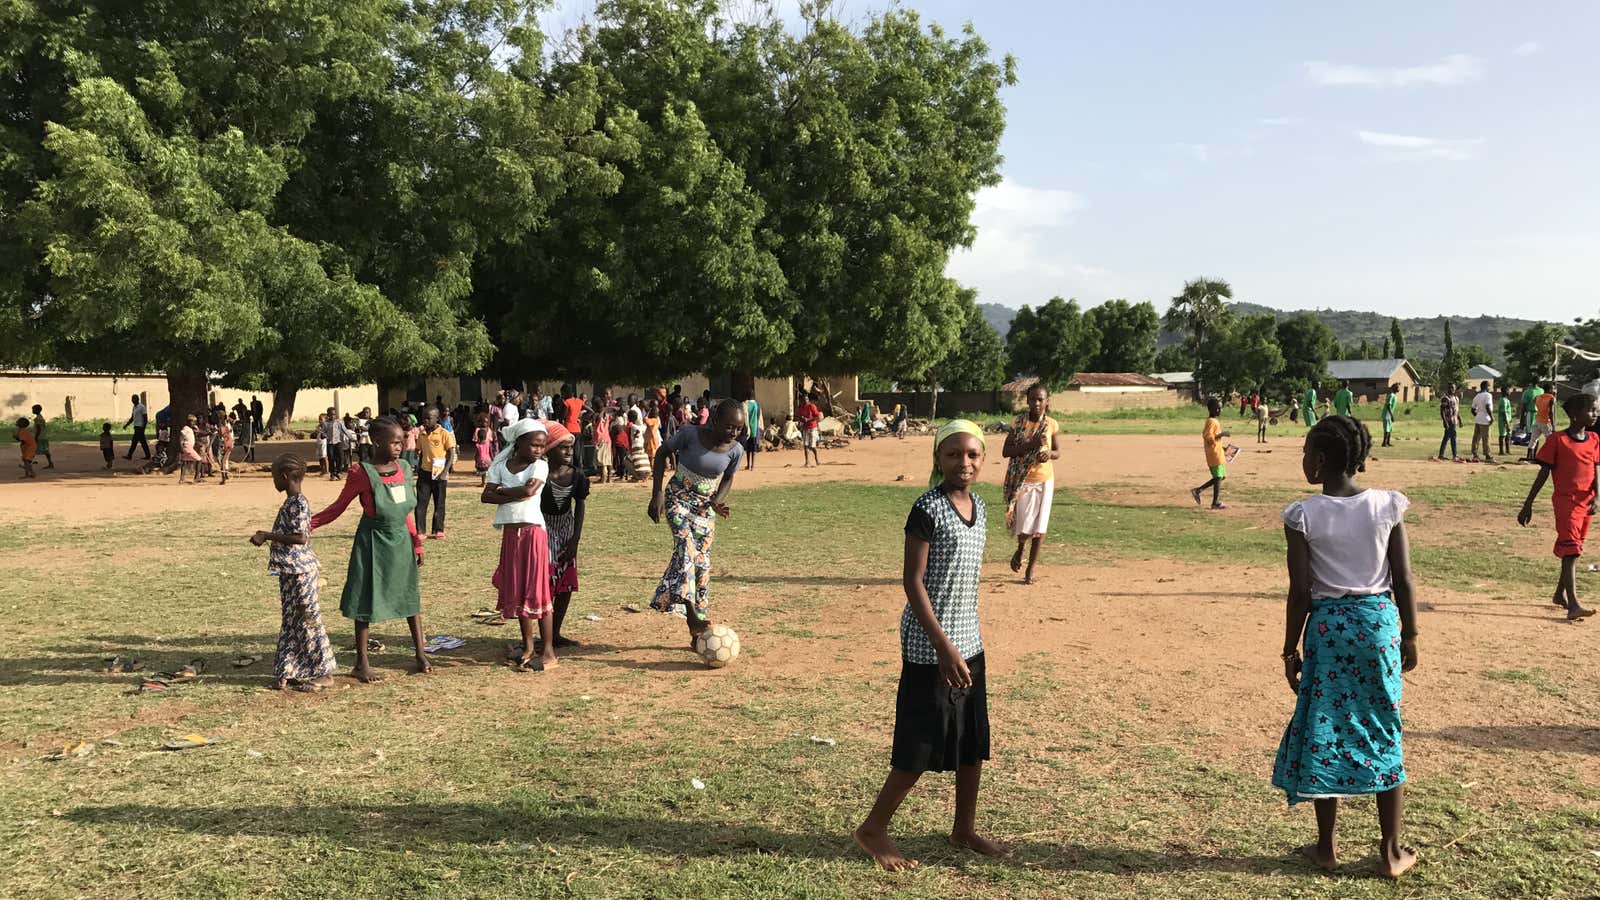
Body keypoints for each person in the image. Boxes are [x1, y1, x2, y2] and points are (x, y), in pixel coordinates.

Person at [854, 419, 1006, 872]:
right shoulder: (927, 508)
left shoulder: (979, 506)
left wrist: (960, 644)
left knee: (972, 740)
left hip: (969, 641)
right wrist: (942, 647)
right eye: (953, 454)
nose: (964, 462)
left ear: (983, 459)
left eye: (973, 454)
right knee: (920, 743)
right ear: (937, 458)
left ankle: (963, 828)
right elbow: (912, 581)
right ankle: (872, 830)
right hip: (930, 645)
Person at [1273, 415, 1419, 879]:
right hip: (1378, 626)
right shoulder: (1386, 505)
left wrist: (1289, 649)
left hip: (1330, 629)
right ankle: (1392, 851)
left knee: (1325, 727)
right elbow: (1403, 578)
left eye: (1305, 453)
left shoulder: (1303, 515)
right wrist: (1411, 634)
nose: (1303, 461)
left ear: (1319, 461)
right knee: (1383, 723)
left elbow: (1301, 590)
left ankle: (1326, 847)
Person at [311, 417, 429, 682]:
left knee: (410, 595)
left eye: (401, 441)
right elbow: (337, 508)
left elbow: (405, 511)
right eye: (394, 442)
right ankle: (361, 662)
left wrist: (416, 541)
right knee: (366, 597)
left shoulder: (406, 468)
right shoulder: (361, 473)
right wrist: (307, 525)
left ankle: (420, 653)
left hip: (400, 541)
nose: (400, 446)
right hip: (373, 542)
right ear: (377, 442)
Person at [647, 400, 746, 643]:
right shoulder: (690, 434)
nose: (733, 433)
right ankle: (692, 618)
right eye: (729, 426)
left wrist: (717, 501)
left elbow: (727, 479)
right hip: (677, 499)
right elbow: (662, 453)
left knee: (702, 567)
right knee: (686, 551)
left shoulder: (736, 450)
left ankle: (698, 635)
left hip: (704, 508)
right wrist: (657, 493)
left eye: (738, 429)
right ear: (714, 420)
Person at [250, 453, 338, 692]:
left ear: (285, 476)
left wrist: (267, 535)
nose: (273, 481)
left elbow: (300, 537)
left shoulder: (299, 503)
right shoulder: (290, 503)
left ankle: (324, 672)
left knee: (308, 618)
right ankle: (287, 670)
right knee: (291, 620)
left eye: (274, 476)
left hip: (300, 572)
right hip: (290, 571)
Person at [1518, 392, 1600, 621]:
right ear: (1574, 414)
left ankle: (1558, 594)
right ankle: (1573, 604)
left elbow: (1596, 469)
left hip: (1587, 502)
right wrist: (1528, 505)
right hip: (1566, 503)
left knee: (1574, 550)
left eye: (1596, 410)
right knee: (1571, 551)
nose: (1595, 414)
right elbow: (1543, 473)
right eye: (1591, 410)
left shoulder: (1594, 439)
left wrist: (1597, 497)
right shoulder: (1558, 440)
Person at [483, 418, 554, 671]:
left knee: (537, 589)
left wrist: (501, 491)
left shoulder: (541, 466)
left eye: (542, 446)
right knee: (519, 588)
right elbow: (485, 496)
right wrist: (511, 490)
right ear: (520, 443)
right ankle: (528, 646)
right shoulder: (500, 465)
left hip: (533, 532)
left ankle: (548, 649)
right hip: (511, 535)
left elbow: (529, 492)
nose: (539, 450)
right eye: (534, 445)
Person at [1002, 383, 1060, 585]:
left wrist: (1048, 454)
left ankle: (1030, 569)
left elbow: (1057, 452)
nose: (1036, 403)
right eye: (1033, 399)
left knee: (1040, 527)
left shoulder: (1051, 424)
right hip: (1022, 481)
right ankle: (1019, 550)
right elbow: (1006, 451)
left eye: (1040, 399)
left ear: (1047, 401)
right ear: (1027, 401)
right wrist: (1031, 445)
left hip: (1045, 480)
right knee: (1024, 528)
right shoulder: (1018, 424)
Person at [541, 422, 589, 651]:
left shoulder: (577, 475)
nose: (569, 452)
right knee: (546, 583)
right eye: (563, 448)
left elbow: (580, 506)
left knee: (564, 584)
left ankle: (556, 632)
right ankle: (545, 635)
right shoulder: (540, 474)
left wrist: (575, 540)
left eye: (571, 448)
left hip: (566, 530)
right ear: (549, 449)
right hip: (542, 529)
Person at [415, 407, 456, 540]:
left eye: (429, 418)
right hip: (425, 473)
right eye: (424, 418)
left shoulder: (444, 433)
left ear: (436, 419)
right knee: (421, 502)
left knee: (439, 502)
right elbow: (420, 452)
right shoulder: (421, 435)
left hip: (439, 473)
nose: (425, 421)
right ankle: (420, 530)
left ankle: (438, 529)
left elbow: (451, 453)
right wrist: (419, 468)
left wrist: (445, 471)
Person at [1190, 398, 1231, 510]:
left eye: (1220, 407)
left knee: (1221, 477)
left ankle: (1198, 490)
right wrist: (1221, 434)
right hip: (1214, 455)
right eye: (1217, 407)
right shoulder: (1211, 421)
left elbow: (1214, 440)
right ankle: (1215, 502)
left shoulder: (1214, 421)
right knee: (1218, 477)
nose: (1219, 410)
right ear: (1211, 409)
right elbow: (1208, 437)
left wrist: (1223, 448)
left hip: (1218, 453)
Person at [1469, 381, 1495, 463]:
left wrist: (1477, 415)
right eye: (1489, 386)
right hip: (1485, 419)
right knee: (1486, 438)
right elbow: (1487, 406)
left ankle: (1475, 453)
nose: (1489, 388)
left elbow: (1472, 409)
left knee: (1476, 437)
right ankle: (1488, 455)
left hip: (1478, 418)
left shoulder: (1477, 396)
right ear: (1486, 386)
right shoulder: (1488, 395)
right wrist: (1492, 417)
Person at [1532, 382, 1557, 459]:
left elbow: (1536, 403)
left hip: (1538, 420)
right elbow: (1551, 412)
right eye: (1553, 388)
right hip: (1546, 421)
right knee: (1551, 441)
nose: (1554, 390)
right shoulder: (1551, 398)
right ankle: (1548, 457)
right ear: (1550, 389)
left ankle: (1531, 457)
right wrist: (1553, 426)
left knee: (1533, 440)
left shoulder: (1538, 397)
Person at [1436, 384, 1460, 462]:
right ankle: (1455, 455)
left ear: (1455, 389)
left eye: (1453, 388)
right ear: (1448, 388)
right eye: (1450, 388)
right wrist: (1445, 422)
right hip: (1449, 421)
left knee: (1446, 438)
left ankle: (1441, 454)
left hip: (1454, 420)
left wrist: (1460, 419)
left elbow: (1456, 410)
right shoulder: (1445, 398)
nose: (1451, 389)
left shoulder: (1456, 398)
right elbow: (1442, 411)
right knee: (1453, 437)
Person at [798, 394, 822, 468]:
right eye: (804, 400)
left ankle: (816, 459)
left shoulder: (812, 406)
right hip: (805, 428)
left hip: (812, 427)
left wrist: (808, 419)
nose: (805, 401)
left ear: (808, 400)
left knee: (812, 446)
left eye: (806, 399)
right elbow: (799, 417)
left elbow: (817, 416)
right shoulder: (801, 408)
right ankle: (807, 462)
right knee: (805, 445)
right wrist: (802, 419)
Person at [178, 414, 203, 484]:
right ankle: (196, 477)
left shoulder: (190, 429)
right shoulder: (185, 428)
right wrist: (181, 447)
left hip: (187, 447)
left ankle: (182, 479)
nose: (194, 423)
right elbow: (181, 437)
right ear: (188, 421)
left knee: (184, 462)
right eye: (192, 422)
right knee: (199, 460)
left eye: (195, 422)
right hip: (187, 447)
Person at [742, 393, 762, 470]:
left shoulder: (745, 404)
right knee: (753, 449)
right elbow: (759, 417)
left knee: (747, 448)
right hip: (754, 429)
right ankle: (753, 466)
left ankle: (748, 464)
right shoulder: (757, 405)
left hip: (747, 429)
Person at [473, 413, 494, 487]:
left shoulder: (478, 445)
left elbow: (476, 454)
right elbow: (490, 451)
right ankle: (489, 482)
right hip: (488, 459)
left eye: (486, 422)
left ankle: (483, 483)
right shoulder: (488, 444)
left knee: (483, 472)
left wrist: (476, 461)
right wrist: (492, 458)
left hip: (481, 460)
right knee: (488, 471)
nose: (484, 423)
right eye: (483, 422)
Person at [30, 404, 53, 469]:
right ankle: (50, 463)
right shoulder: (41, 417)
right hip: (44, 436)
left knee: (33, 450)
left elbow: (38, 429)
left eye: (33, 409)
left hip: (39, 437)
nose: (32, 410)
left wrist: (36, 437)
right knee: (46, 451)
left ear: (37, 410)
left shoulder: (37, 419)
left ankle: (28, 463)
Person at [219, 412, 237, 484]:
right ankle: (225, 475)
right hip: (225, 444)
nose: (220, 420)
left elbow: (230, 436)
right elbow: (222, 435)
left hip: (228, 444)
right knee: (225, 460)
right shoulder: (222, 426)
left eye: (221, 418)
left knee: (223, 461)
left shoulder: (227, 426)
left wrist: (230, 445)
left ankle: (223, 479)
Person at [1496, 387, 1514, 458]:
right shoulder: (1503, 400)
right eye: (1509, 391)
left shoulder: (1507, 400)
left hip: (1508, 420)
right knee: (1502, 435)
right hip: (1503, 420)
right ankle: (1501, 451)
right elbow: (1504, 412)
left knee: (1508, 435)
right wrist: (1506, 423)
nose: (1510, 392)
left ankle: (1507, 450)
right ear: (1506, 391)